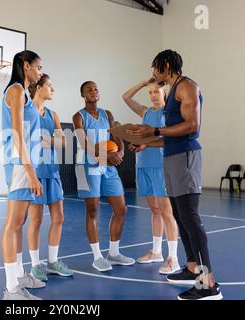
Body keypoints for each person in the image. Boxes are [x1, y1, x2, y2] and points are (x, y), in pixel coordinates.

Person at [128, 50, 223, 300]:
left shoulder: (187, 87)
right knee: (180, 216)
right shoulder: (171, 92)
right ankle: (192, 268)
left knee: (190, 217)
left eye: (156, 68)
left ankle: (208, 284)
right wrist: (146, 141)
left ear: (167, 65)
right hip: (171, 157)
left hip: (186, 158)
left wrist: (156, 130)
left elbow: (193, 126)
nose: (153, 73)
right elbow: (169, 137)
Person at [73, 81, 135, 272]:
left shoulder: (107, 114)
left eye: (96, 89)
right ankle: (97, 256)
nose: (94, 91)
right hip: (87, 166)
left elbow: (116, 137)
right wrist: (108, 155)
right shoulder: (78, 117)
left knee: (121, 209)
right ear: (83, 95)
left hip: (108, 167)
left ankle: (114, 253)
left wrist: (121, 153)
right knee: (92, 211)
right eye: (89, 90)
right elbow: (84, 144)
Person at [122, 78, 180, 275]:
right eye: (150, 92)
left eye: (157, 91)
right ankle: (156, 251)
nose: (153, 95)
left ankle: (173, 257)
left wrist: (146, 143)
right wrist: (143, 82)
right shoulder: (145, 112)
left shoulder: (169, 113)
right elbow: (126, 97)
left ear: (165, 92)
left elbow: (168, 138)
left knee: (166, 212)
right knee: (155, 211)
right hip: (143, 165)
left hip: (160, 166)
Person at [1, 50, 46, 300]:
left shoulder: (22, 93)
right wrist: (30, 172)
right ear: (26, 65)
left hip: (24, 164)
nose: (40, 72)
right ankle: (11, 289)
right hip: (20, 165)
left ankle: (18, 277)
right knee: (13, 224)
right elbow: (17, 134)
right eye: (38, 67)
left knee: (18, 224)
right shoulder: (16, 90)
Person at [26, 74, 74, 281]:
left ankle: (53, 262)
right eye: (49, 86)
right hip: (35, 173)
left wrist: (44, 138)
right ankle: (36, 265)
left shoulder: (52, 114)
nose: (52, 90)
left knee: (59, 218)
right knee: (35, 220)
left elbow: (64, 142)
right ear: (38, 88)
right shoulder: (26, 112)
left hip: (52, 172)